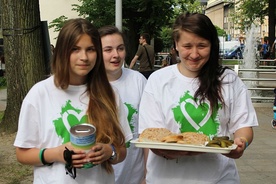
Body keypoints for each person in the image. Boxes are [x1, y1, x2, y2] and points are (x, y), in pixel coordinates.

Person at [138, 12, 258, 184]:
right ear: (176, 45)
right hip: (166, 178)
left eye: (202, 45)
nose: (194, 54)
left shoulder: (229, 80)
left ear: (212, 45)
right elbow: (151, 135)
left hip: (220, 177)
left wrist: (242, 143)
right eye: (187, 46)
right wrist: (163, 151)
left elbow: (244, 125)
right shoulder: (158, 80)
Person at [13, 18, 132, 184]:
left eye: (90, 49)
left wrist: (109, 151)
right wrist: (57, 154)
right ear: (62, 51)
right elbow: (22, 154)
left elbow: (122, 150)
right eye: (75, 49)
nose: (84, 57)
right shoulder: (40, 93)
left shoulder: (109, 94)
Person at [99, 25, 147, 184]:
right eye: (108, 50)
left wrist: (146, 175)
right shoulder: (88, 85)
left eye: (120, 48)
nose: (116, 55)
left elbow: (147, 132)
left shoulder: (138, 81)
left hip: (134, 174)